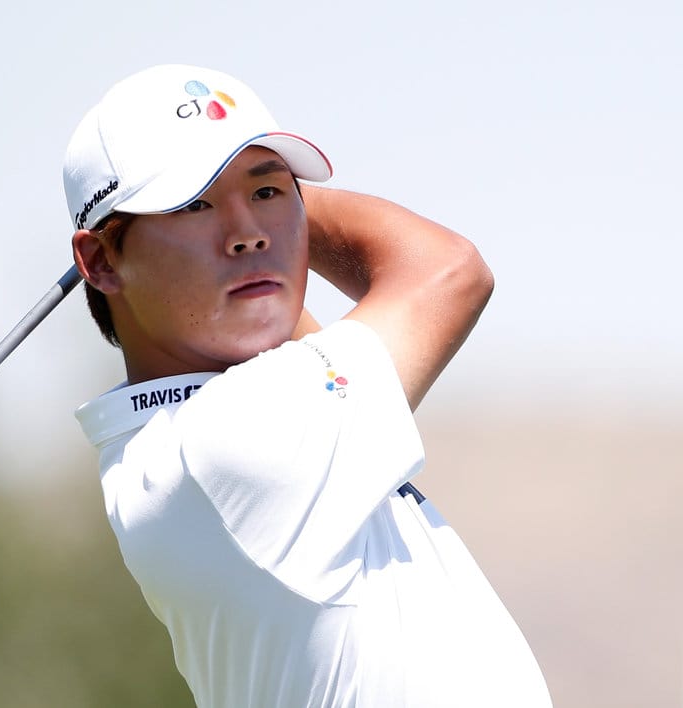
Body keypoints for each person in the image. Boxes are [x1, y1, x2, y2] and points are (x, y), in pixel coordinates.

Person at [63, 64, 552, 708]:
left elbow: (278, 317)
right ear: (100, 261)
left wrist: (230, 197)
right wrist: (267, 194)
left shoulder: (164, 449)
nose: (248, 234)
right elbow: (449, 270)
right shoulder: (233, 442)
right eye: (194, 205)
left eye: (268, 192)